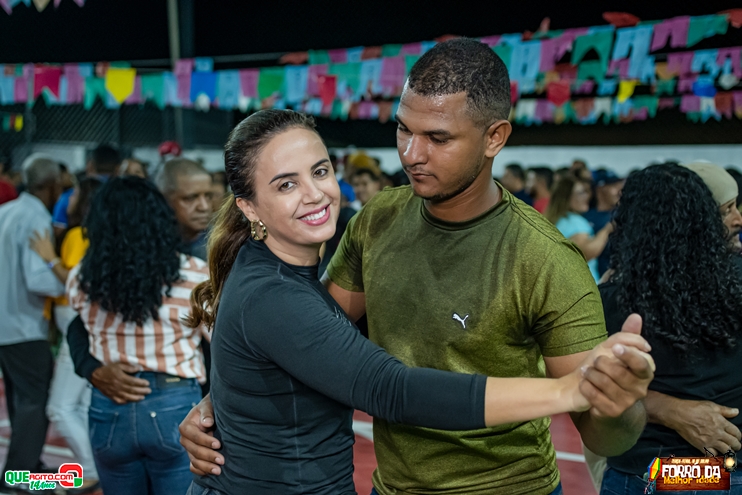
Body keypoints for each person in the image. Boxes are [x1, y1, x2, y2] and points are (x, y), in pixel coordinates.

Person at [181, 39, 654, 495]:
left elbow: (605, 434)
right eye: (404, 129)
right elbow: (314, 339)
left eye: (437, 138)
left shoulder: (545, 258)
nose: (411, 154)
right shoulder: (379, 219)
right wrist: (230, 396)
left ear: (494, 137)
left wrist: (618, 403)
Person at [596, 163, 742, 495]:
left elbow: (590, 388)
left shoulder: (613, 298)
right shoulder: (735, 282)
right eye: (726, 210)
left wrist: (666, 409)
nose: (737, 219)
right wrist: (673, 410)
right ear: (705, 219)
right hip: (721, 469)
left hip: (647, 469)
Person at [66, 177, 210, 495]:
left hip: (109, 404)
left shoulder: (82, 278)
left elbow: (79, 326)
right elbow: (224, 343)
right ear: (160, 219)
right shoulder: (194, 274)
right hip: (174, 400)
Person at [28, 177, 104, 494]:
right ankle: (96, 467)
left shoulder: (77, 235)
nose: (67, 199)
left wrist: (49, 258)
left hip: (77, 327)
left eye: (73, 195)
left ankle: (92, 470)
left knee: (59, 408)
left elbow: (71, 281)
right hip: (84, 326)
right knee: (83, 405)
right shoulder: (97, 235)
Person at [0, 155, 64, 493]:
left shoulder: (7, 211)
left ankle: (26, 464)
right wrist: (68, 282)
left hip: (5, 322)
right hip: (24, 324)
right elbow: (38, 278)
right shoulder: (36, 216)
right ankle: (19, 475)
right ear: (51, 185)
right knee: (34, 401)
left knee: (19, 399)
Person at [546, 176, 612, 283]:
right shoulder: (575, 222)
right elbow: (585, 253)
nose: (586, 196)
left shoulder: (555, 220)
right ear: (567, 197)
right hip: (583, 286)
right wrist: (607, 230)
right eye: (580, 193)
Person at [51, 144, 120, 239]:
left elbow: (57, 230)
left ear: (90, 165)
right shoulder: (122, 196)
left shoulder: (68, 197)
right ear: (118, 169)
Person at [155, 158, 214, 260]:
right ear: (165, 200)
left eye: (208, 196)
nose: (204, 207)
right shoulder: (150, 246)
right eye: (191, 198)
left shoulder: (226, 247)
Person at [583, 169, 624, 277]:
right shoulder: (585, 217)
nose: (619, 191)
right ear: (600, 188)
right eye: (613, 186)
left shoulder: (622, 216)